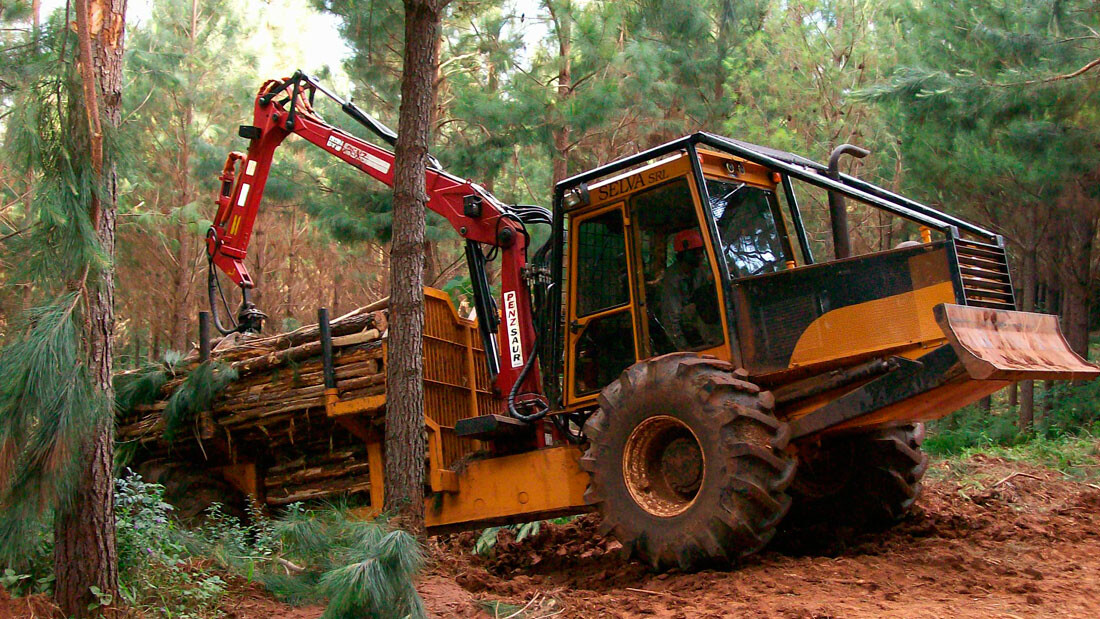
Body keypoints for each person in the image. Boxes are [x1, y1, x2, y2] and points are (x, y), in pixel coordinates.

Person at [657, 228, 722, 350]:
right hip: (686, 334)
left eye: (701, 251)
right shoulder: (671, 279)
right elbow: (671, 319)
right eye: (696, 252)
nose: (701, 256)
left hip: (700, 325)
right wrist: (683, 348)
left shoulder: (699, 271)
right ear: (684, 254)